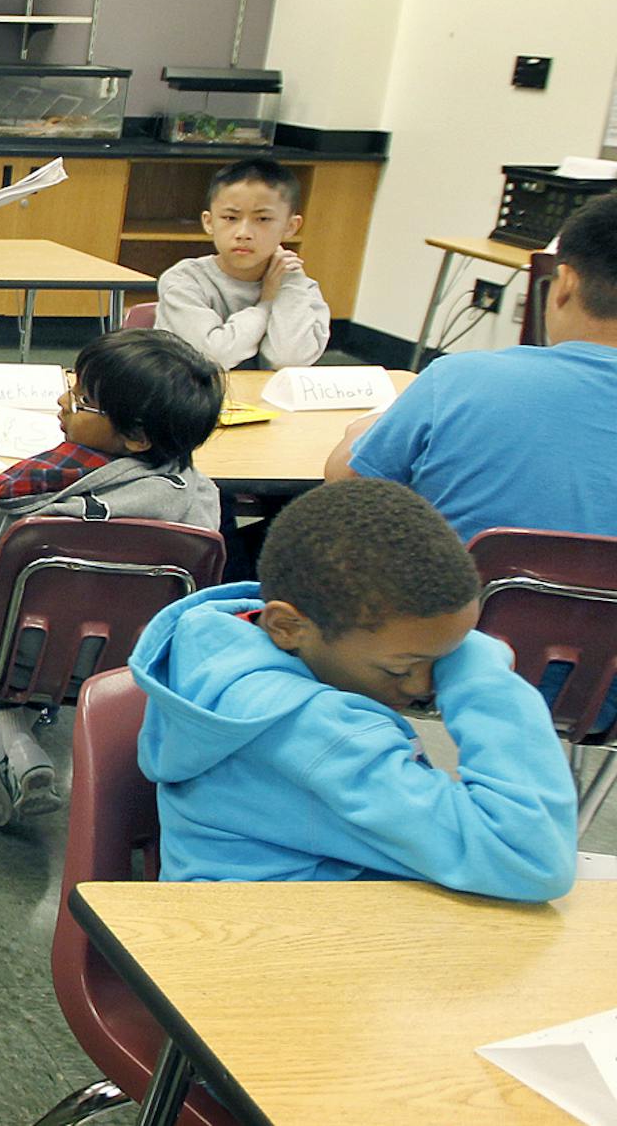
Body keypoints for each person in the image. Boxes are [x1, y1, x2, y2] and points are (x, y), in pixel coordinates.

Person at [129, 479, 576, 901]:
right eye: (401, 668)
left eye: (439, 662)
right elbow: (530, 857)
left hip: (278, 928)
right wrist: (482, 675)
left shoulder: (231, 644)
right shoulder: (313, 733)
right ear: (287, 625)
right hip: (283, 959)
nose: (424, 688)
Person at [328, 194, 617, 733]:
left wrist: (361, 434)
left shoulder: (461, 379)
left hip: (442, 669)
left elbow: (346, 489)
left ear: (567, 283)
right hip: (605, 697)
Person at [0, 328, 223, 825]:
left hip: (5, 653)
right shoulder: (200, 504)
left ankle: (13, 733)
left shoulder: (37, 498)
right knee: (72, 632)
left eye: (83, 399)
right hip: (130, 667)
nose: (62, 399)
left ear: (136, 434)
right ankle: (13, 739)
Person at [154, 160, 330, 370]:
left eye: (263, 219)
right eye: (230, 217)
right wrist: (265, 305)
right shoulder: (184, 280)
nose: (243, 233)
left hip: (261, 400)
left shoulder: (302, 288)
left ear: (290, 226)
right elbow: (211, 358)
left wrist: (290, 283)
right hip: (189, 398)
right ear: (209, 222)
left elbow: (288, 360)